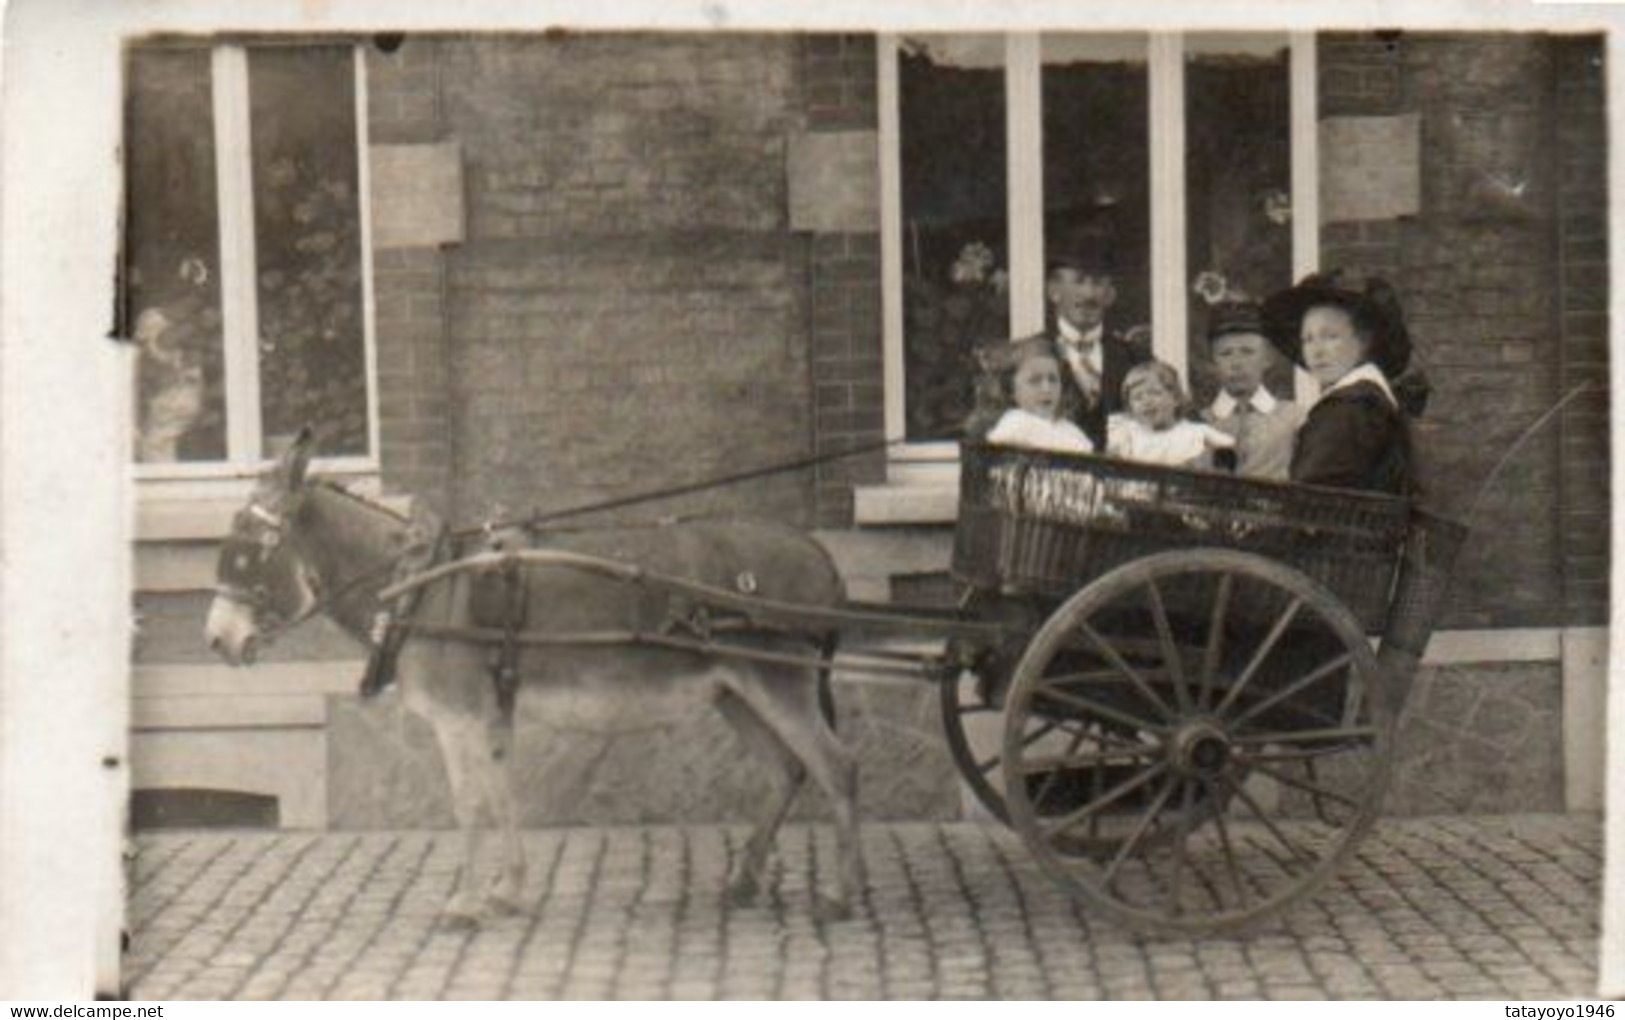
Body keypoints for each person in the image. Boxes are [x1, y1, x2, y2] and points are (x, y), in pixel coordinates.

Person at [1260, 271, 1418, 495]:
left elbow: (1314, 496)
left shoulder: (1350, 407)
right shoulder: (1366, 400)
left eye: (1330, 336)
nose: (1316, 351)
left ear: (1364, 341)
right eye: (1307, 339)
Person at [1038, 231, 1152, 450]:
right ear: (1054, 291)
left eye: (1098, 283)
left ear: (1110, 295)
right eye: (1079, 281)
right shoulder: (1030, 355)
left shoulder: (1137, 359)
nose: (1089, 294)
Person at [1198, 301, 1305, 481]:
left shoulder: (1295, 419)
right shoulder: (1199, 424)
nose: (1236, 363)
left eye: (1247, 352)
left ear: (1267, 358)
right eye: (1225, 354)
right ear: (1213, 364)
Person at [1106, 360, 1236, 469]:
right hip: (1136, 497)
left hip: (1183, 494)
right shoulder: (1129, 433)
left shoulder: (1195, 432)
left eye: (1154, 393)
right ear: (1130, 408)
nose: (1146, 401)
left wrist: (1203, 462)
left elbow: (1231, 449)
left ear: (1176, 399)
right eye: (1137, 397)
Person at [981, 336, 1095, 455]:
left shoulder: (1071, 431)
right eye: (1034, 380)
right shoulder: (1014, 423)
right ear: (1011, 390)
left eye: (1053, 380)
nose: (1047, 389)